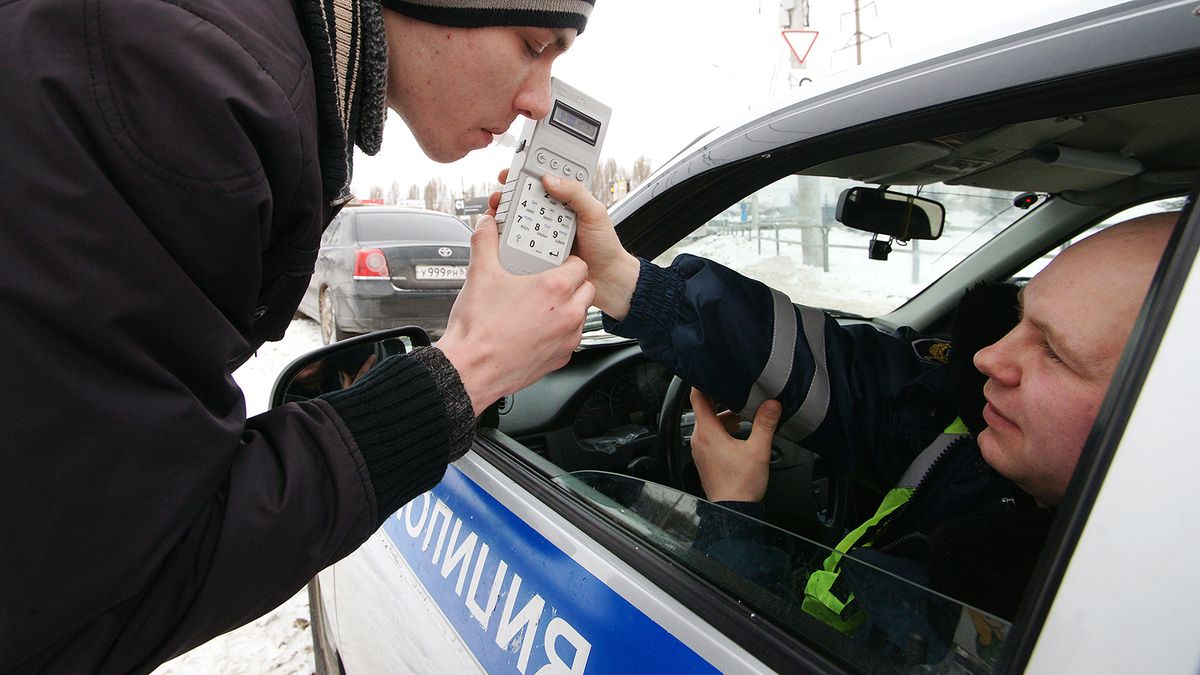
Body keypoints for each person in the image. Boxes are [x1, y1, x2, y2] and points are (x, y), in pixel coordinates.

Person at [1, 1, 597, 672]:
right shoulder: (191, 89)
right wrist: (468, 371)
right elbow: (93, 594)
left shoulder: (215, 51)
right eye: (531, 44)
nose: (540, 101)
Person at [524, 173, 1176, 657]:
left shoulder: (1052, 615)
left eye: (1054, 352)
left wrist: (733, 514)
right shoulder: (974, 429)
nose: (989, 360)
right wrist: (634, 287)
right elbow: (842, 370)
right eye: (1017, 318)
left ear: (1165, 408)